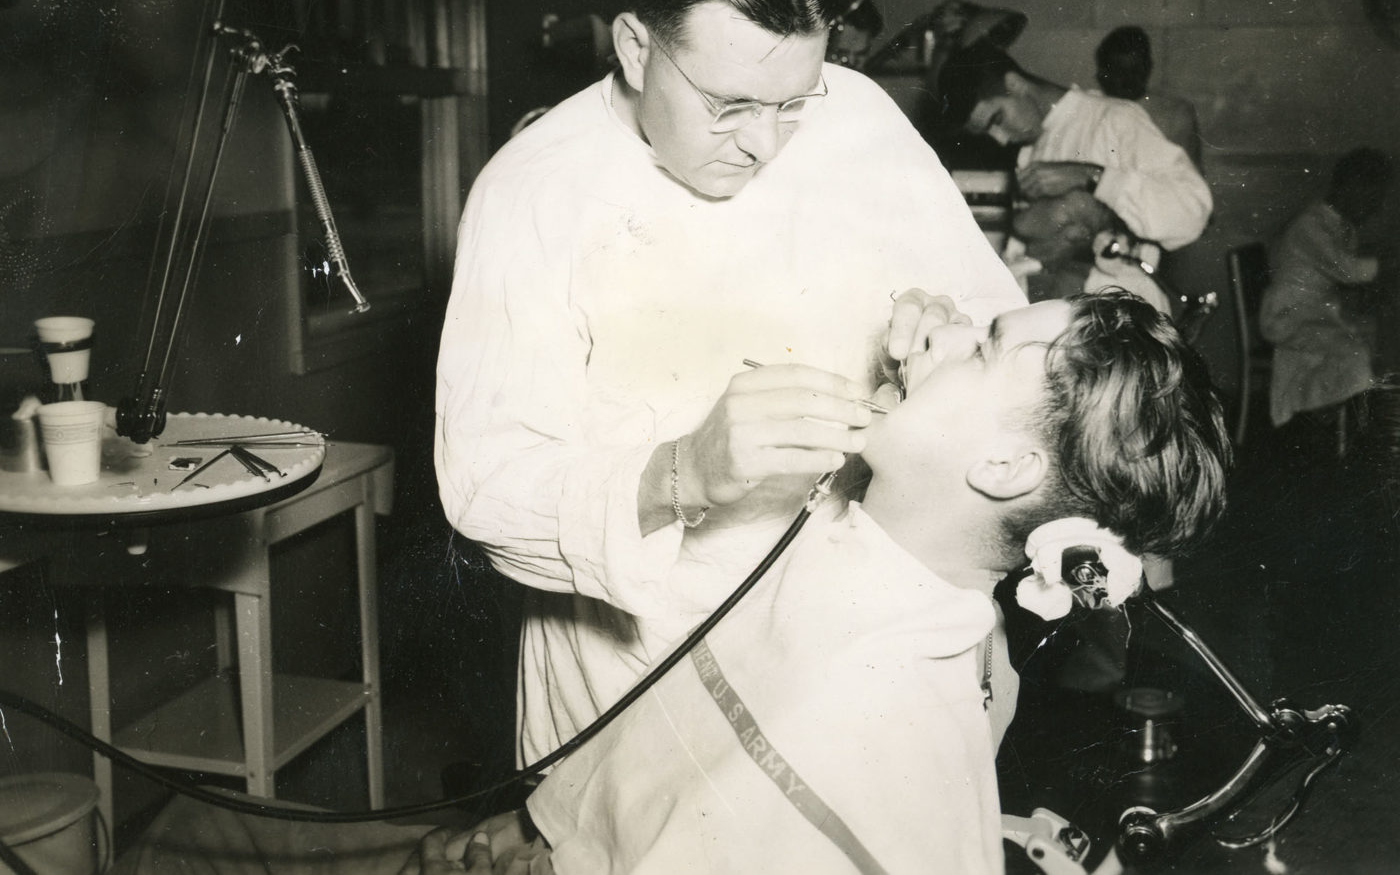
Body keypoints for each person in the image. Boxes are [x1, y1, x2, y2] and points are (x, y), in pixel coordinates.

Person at [116, 292, 1230, 873]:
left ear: (1002, 468)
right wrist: (540, 831)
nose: (937, 333)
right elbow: (671, 761)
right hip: (542, 843)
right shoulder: (862, 556)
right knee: (181, 830)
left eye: (983, 345)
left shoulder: (894, 714)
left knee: (179, 840)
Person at [435, 0, 1026, 766]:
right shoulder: (533, 192)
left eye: (793, 103)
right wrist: (681, 474)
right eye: (730, 106)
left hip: (862, 651)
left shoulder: (856, 115)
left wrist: (943, 330)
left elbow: (995, 318)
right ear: (636, 47)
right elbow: (486, 486)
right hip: (644, 674)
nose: (765, 143)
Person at [931, 35, 1213, 316]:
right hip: (1062, 317)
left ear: (1014, 84)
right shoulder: (1031, 149)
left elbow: (1193, 213)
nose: (1001, 139)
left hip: (1123, 318)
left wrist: (1091, 176)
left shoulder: (1114, 119)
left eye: (997, 120)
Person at [1260, 147, 1394, 428]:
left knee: (1373, 336)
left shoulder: (1343, 227)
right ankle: (1306, 415)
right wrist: (1389, 264)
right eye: (1371, 198)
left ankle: (1343, 420)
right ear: (1350, 187)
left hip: (1315, 312)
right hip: (1288, 316)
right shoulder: (1310, 225)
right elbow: (1347, 269)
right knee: (1355, 357)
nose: (1375, 208)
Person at [1094, 25, 1204, 170]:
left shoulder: (1175, 115)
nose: (1128, 79)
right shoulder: (1091, 112)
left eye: (1135, 70)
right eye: (1119, 71)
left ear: (1148, 68)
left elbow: (1191, 178)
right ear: (1103, 75)